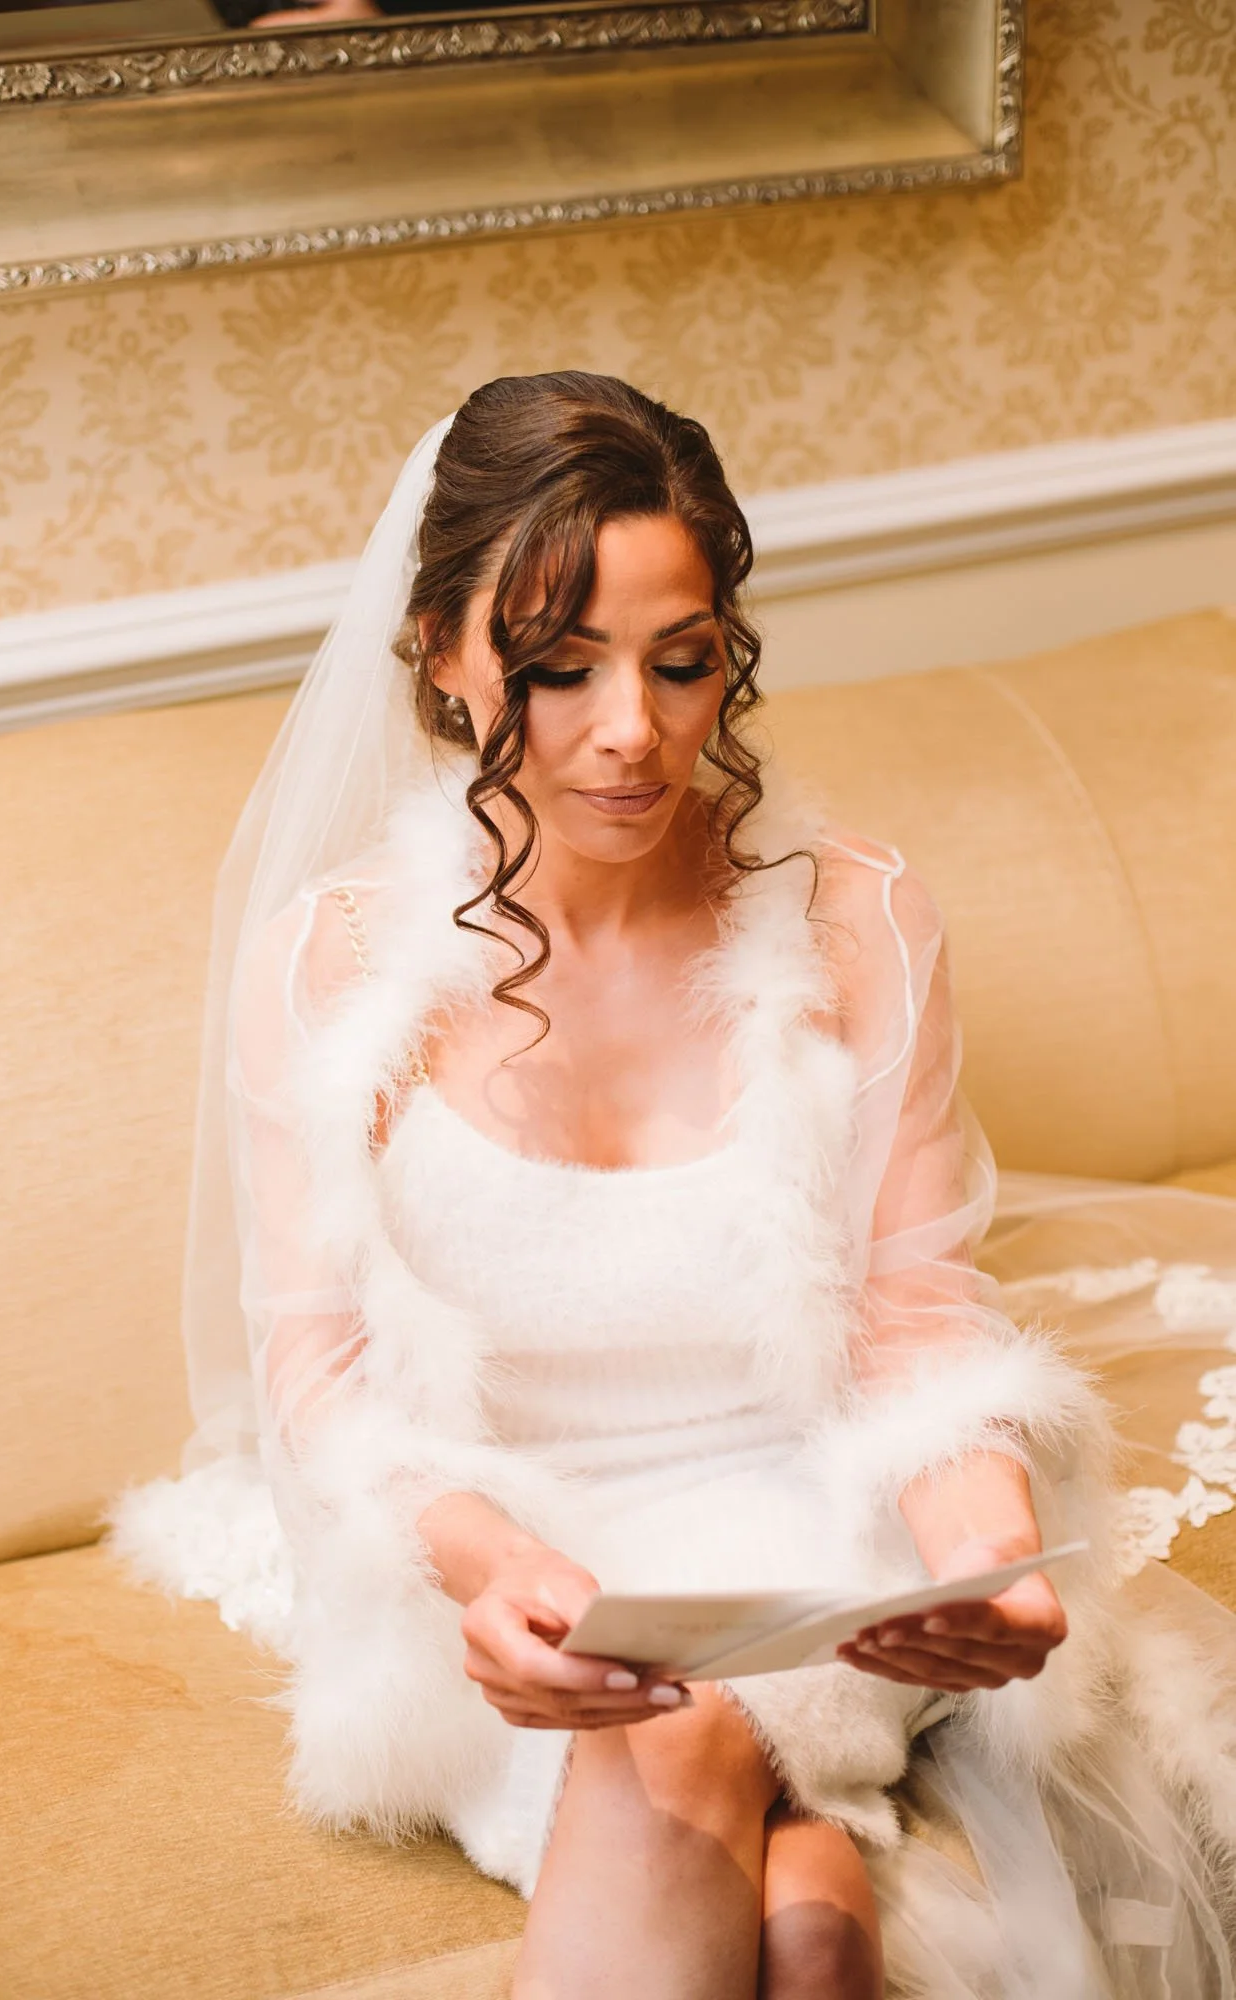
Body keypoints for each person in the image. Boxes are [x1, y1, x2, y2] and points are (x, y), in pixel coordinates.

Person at [115, 372, 1236, 1998]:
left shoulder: (858, 919)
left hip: (805, 1538)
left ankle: (812, 1885)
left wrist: (984, 1552)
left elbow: (916, 1311)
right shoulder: (335, 968)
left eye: (684, 659)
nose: (631, 729)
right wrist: (493, 1570)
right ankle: (816, 1891)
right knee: (667, 1731)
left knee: (709, 1713)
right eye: (557, 669)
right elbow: (321, 1368)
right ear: (439, 653)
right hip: (498, 1568)